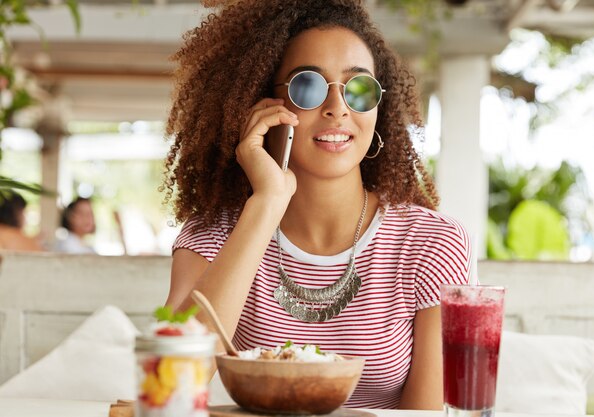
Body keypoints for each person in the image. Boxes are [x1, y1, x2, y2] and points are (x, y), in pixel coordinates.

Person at [163, 0, 471, 410]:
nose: (338, 107)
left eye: (360, 89)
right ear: (260, 105)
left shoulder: (431, 244)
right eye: (307, 86)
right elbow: (170, 383)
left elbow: (425, 415)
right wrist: (267, 203)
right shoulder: (213, 235)